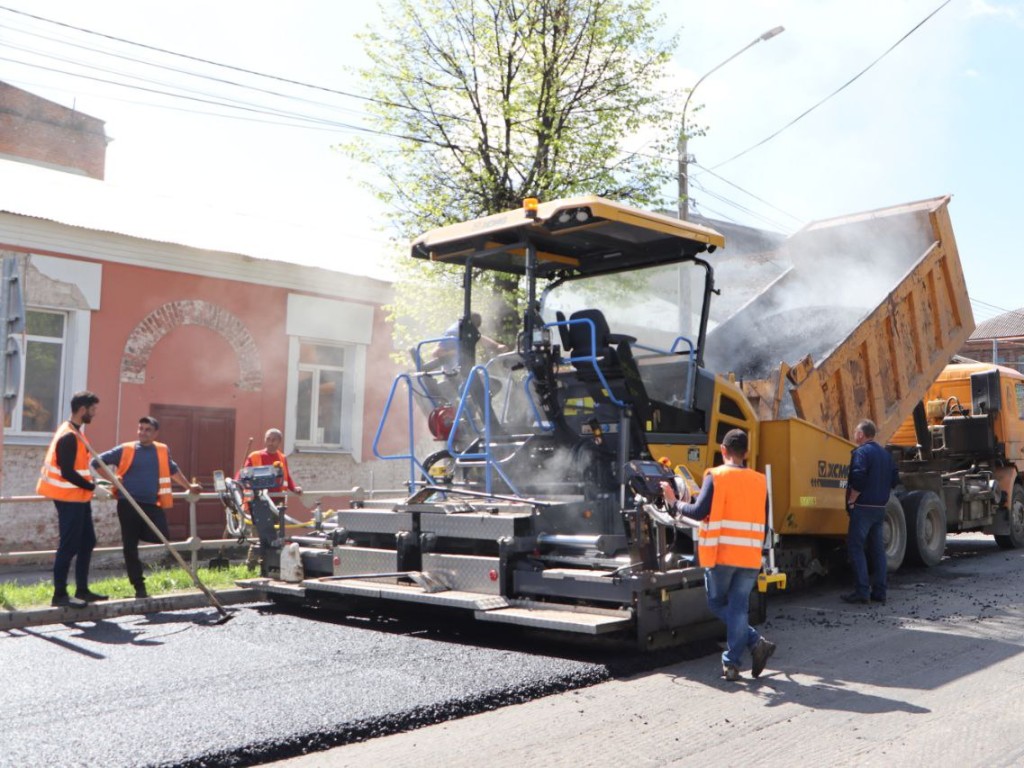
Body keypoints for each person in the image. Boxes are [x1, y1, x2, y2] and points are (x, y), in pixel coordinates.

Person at [662, 428, 776, 681]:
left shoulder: (716, 476)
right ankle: (734, 662)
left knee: (717, 604)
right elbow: (763, 520)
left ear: (723, 450)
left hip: (722, 554)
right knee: (738, 608)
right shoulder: (759, 481)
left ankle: (754, 644)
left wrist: (673, 502)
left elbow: (698, 510)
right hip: (750, 557)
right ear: (746, 453)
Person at [93, 416, 202, 599]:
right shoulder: (126, 449)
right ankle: (139, 586)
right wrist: (114, 480)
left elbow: (172, 470)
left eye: (147, 430)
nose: (143, 432)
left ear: (155, 433)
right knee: (130, 546)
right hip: (128, 503)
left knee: (161, 535)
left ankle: (139, 532)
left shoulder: (161, 450)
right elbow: (97, 462)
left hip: (151, 504)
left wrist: (189, 487)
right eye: (140, 429)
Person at [36, 390, 106, 608]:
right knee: (69, 545)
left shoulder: (76, 432)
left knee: (87, 541)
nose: (94, 414)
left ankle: (82, 590)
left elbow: (79, 468)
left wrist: (95, 483)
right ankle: (59, 595)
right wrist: (93, 487)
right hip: (69, 498)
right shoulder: (68, 435)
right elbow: (67, 472)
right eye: (93, 410)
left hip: (79, 497)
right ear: (83, 409)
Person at [842, 419, 900, 606]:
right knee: (877, 550)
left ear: (861, 434)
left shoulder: (861, 453)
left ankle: (861, 591)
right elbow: (894, 480)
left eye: (856, 431)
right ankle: (880, 592)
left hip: (863, 508)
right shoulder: (885, 454)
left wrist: (852, 500)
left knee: (856, 547)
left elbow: (858, 478)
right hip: (879, 508)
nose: (854, 434)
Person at [429, 311, 509, 372]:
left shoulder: (466, 329)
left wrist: (497, 346)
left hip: (462, 370)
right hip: (452, 373)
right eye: (476, 328)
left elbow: (480, 337)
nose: (476, 330)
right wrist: (456, 352)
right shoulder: (454, 333)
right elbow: (435, 353)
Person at [241, 428, 302, 495]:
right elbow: (243, 476)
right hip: (259, 499)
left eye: (273, 440)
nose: (270, 442)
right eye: (268, 439)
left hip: (278, 498)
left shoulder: (282, 457)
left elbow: (286, 477)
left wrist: (294, 488)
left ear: (279, 441)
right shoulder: (254, 456)